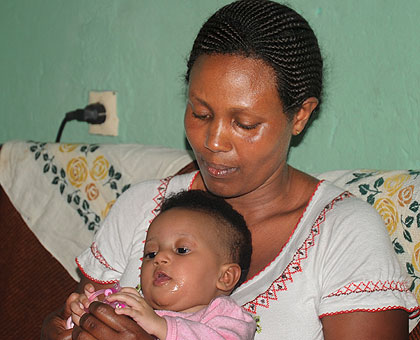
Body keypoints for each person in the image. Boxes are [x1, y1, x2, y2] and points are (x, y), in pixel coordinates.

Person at [42, 0, 420, 339]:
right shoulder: (142, 207)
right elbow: (78, 313)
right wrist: (61, 331)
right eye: (200, 113)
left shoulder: (343, 233)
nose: (214, 141)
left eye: (245, 123)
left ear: (300, 115)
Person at [68, 190, 256, 339]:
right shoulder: (135, 308)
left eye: (181, 250)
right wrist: (82, 317)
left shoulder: (226, 315)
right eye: (150, 253)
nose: (159, 258)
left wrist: (161, 327)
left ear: (225, 277)